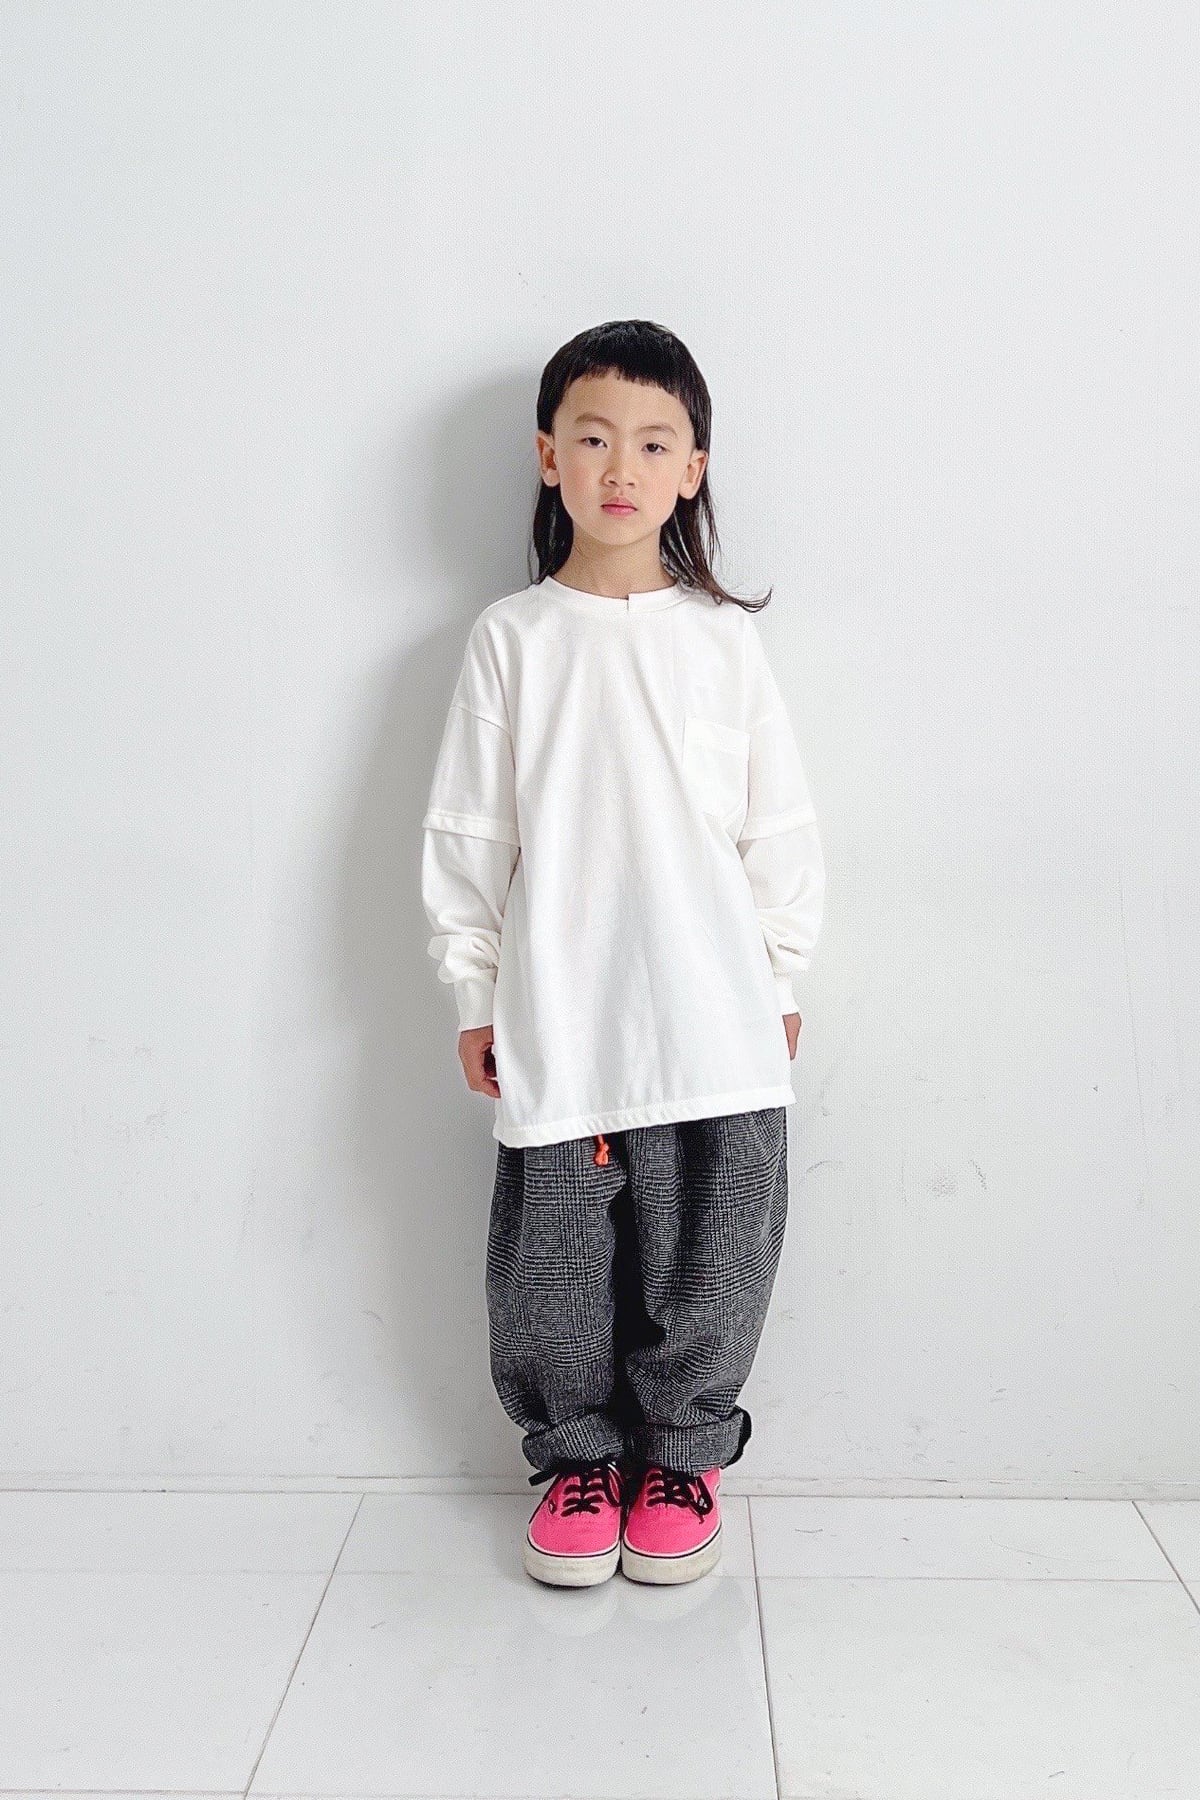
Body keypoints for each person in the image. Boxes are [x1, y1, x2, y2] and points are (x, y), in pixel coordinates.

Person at [420, 319, 825, 1588]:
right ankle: (579, 1458)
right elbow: (471, 831)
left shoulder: (721, 642)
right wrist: (473, 987)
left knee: (719, 1238)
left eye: (655, 443)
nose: (621, 466)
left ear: (693, 470)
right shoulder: (514, 639)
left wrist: (780, 974)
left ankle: (685, 1453)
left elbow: (776, 822)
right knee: (555, 1254)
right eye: (593, 437)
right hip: (566, 1002)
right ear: (549, 455)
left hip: (713, 1005)